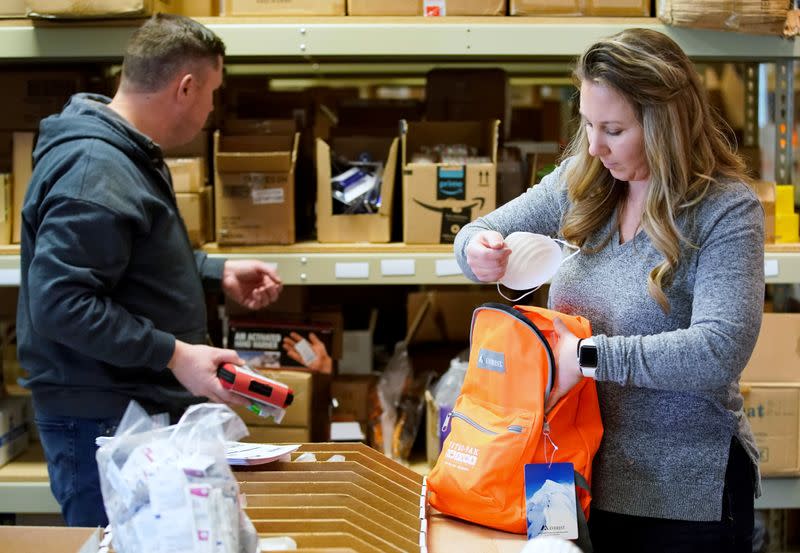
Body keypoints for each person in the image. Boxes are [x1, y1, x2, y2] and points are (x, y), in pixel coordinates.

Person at [454, 28, 763, 553]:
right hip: (563, 476)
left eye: (614, 130)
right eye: (589, 126)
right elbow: (474, 234)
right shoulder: (582, 182)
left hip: (677, 493)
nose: (594, 147)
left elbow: (718, 350)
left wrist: (589, 357)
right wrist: (478, 250)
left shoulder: (726, 212)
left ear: (666, 124)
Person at [16, 14, 283, 527]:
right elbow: (61, 304)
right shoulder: (96, 169)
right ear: (185, 87)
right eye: (212, 94)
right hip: (102, 417)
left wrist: (212, 271)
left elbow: (122, 260)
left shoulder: (124, 154)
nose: (211, 109)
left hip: (123, 410)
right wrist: (175, 354)